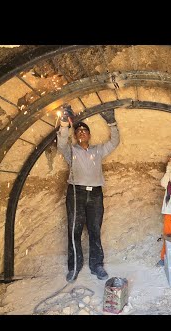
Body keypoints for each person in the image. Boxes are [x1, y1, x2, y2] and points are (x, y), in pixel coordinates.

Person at [57, 105, 120, 282]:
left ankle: (97, 265)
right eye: (79, 131)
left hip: (95, 195)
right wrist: (64, 124)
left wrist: (112, 123)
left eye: (85, 130)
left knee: (95, 230)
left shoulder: (98, 150)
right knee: (74, 231)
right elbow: (61, 143)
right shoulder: (71, 151)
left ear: (89, 135)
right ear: (76, 136)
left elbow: (114, 142)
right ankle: (74, 266)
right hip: (76, 193)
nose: (82, 132)